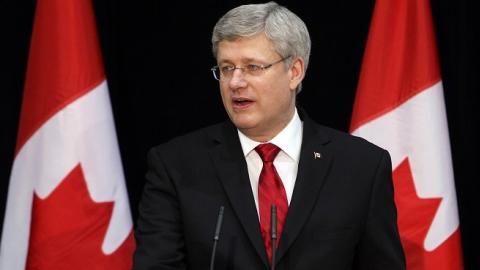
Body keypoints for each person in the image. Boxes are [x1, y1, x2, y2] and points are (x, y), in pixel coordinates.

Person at [132, 2, 405, 269]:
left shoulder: (361, 166)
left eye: (253, 67)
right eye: (227, 68)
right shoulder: (175, 166)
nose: (236, 82)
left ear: (294, 72)